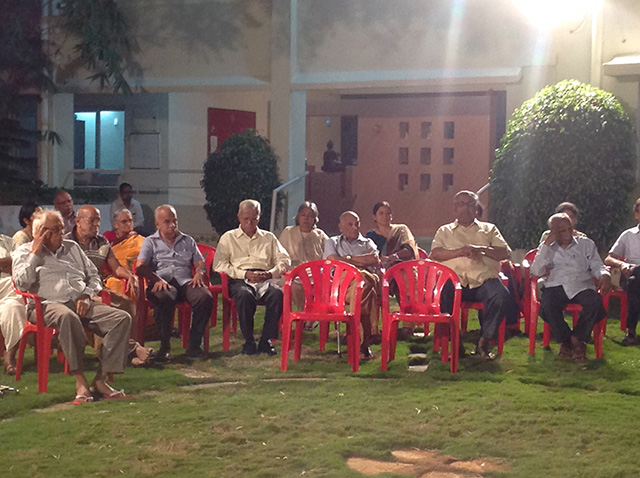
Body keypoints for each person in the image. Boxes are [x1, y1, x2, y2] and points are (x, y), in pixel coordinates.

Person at [12, 210, 132, 403]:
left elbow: (93, 276)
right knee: (67, 317)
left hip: (79, 301)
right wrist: (35, 252)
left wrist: (86, 295)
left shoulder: (72, 247)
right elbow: (21, 284)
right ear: (41, 233)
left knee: (121, 318)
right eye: (56, 230)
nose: (63, 233)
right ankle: (80, 381)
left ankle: (101, 379)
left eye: (62, 228)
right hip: (45, 305)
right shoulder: (24, 252)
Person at [430, 190, 512, 359]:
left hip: (483, 280)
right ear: (454, 209)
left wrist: (480, 249)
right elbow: (436, 254)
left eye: (470, 204)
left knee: (501, 296)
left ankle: (484, 341)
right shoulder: (444, 231)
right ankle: (456, 342)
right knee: (442, 293)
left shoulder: (489, 229)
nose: (466, 208)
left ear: (477, 208)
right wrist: (461, 251)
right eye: (461, 204)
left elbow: (504, 253)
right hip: (455, 281)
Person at [66, 205, 151, 366]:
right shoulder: (67, 242)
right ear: (78, 221)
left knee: (127, 304)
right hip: (76, 292)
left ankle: (124, 352)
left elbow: (116, 267)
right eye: (92, 220)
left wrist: (130, 276)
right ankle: (130, 350)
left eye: (98, 220)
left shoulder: (102, 242)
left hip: (97, 288)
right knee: (107, 309)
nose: (97, 224)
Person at [135, 205, 213, 362]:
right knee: (163, 298)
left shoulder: (187, 240)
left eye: (175, 221)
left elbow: (200, 262)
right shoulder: (150, 242)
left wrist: (199, 273)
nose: (172, 225)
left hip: (184, 281)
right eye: (167, 222)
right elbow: (140, 266)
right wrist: (156, 279)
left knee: (205, 297)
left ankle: (194, 345)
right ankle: (164, 347)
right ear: (157, 225)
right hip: (161, 282)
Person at [213, 200, 291, 356]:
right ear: (239, 217)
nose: (249, 223)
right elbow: (219, 264)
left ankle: (266, 340)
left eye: (254, 219)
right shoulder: (229, 237)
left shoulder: (268, 237)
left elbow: (285, 260)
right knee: (244, 295)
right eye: (245, 219)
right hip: (240, 277)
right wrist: (244, 274)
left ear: (259, 217)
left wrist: (270, 273)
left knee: (277, 294)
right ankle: (249, 341)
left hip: (265, 277)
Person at [532, 213, 610, 361]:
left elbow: (597, 264)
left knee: (594, 302)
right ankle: (568, 340)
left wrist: (604, 274)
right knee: (547, 305)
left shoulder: (586, 244)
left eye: (570, 228)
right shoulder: (547, 248)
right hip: (557, 284)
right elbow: (536, 271)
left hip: (582, 284)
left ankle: (576, 339)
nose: (568, 233)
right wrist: (547, 244)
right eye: (561, 231)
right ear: (552, 232)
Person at [323, 210, 380, 361]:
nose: (355, 227)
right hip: (341, 284)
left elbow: (374, 258)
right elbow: (333, 260)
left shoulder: (368, 242)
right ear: (340, 227)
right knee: (367, 283)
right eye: (350, 224)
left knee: (363, 284)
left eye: (357, 224)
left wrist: (347, 259)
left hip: (358, 287)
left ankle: (358, 341)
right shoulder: (332, 242)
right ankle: (367, 339)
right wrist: (360, 261)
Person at [365, 201, 418, 339]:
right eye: (381, 213)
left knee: (406, 279)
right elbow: (371, 256)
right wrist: (384, 261)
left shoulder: (401, 230)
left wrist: (393, 257)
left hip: (400, 269)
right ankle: (372, 330)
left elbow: (409, 250)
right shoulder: (371, 236)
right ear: (374, 217)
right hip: (380, 272)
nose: (385, 216)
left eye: (388, 213)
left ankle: (408, 326)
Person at [279, 202, 329, 329]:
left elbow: (328, 256)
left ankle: (311, 318)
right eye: (303, 215)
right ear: (298, 217)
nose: (306, 218)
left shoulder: (320, 235)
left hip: (315, 273)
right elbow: (280, 254)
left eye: (310, 216)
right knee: (294, 285)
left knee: (322, 285)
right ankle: (305, 315)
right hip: (293, 272)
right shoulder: (288, 232)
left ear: (315, 219)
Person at [605, 198, 640, 345]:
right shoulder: (628, 235)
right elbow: (609, 259)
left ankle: (630, 330)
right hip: (628, 273)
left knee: (634, 284)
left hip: (634, 278)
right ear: (637, 215)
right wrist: (622, 264)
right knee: (633, 280)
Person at [0, 234, 27, 375]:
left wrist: (8, 262)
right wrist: (7, 262)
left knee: (14, 307)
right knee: (17, 286)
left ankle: (9, 357)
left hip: (9, 292)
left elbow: (19, 263)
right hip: (8, 285)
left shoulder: (7, 241)